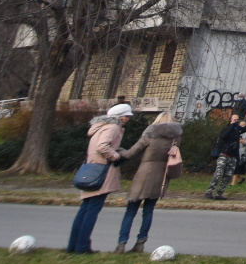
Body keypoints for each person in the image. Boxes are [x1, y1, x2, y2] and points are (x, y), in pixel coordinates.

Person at [112, 111, 182, 254]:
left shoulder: (149, 134)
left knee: (131, 211)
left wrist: (117, 150)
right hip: (162, 175)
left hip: (145, 173)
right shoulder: (176, 138)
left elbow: (131, 153)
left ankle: (121, 243)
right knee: (148, 211)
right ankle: (140, 243)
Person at [67, 103, 132, 254]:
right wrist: (116, 156)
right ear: (118, 116)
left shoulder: (100, 126)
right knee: (92, 210)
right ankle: (82, 247)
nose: (127, 119)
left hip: (91, 167)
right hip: (102, 170)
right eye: (126, 116)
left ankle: (74, 245)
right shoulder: (113, 127)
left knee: (85, 209)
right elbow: (103, 146)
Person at [204, 113, 246, 199]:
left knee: (228, 176)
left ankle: (219, 194)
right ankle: (209, 192)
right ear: (231, 120)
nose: (236, 121)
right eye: (234, 119)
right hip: (224, 155)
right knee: (218, 174)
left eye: (237, 120)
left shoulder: (238, 131)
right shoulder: (227, 129)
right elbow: (223, 136)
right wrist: (232, 126)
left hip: (233, 156)